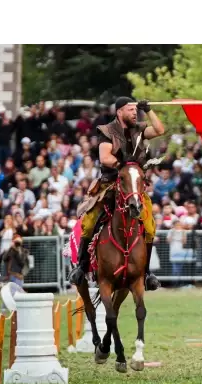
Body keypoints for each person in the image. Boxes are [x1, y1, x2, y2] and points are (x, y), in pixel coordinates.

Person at [68, 97, 165, 290]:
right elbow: (105, 158)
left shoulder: (139, 128)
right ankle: (81, 267)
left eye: (135, 110)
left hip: (134, 185)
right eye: (130, 110)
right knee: (89, 221)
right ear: (119, 112)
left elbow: (160, 130)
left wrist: (149, 110)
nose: (134, 113)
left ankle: (146, 273)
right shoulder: (107, 131)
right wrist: (123, 165)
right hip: (110, 183)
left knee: (149, 224)